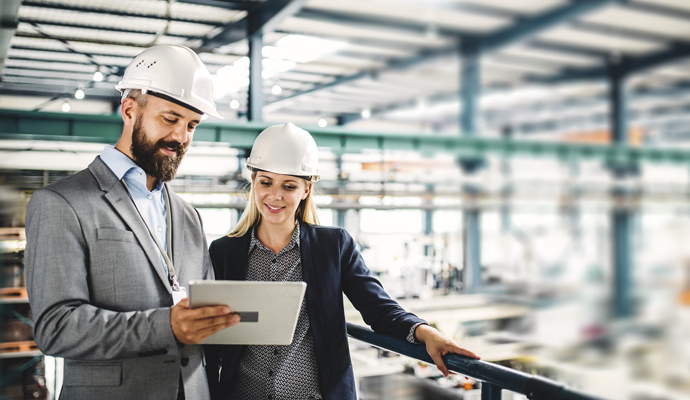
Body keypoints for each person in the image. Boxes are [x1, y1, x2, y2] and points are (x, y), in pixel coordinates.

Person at [25, 45, 240, 400]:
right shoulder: (62, 203)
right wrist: (166, 326)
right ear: (129, 110)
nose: (182, 137)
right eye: (170, 119)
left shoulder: (188, 215)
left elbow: (202, 312)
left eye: (192, 125)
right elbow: (56, 328)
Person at [205, 123, 480, 400]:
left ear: (306, 190)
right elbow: (211, 333)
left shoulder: (333, 246)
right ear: (253, 182)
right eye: (266, 182)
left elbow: (378, 308)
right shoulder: (224, 252)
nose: (274, 195)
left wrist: (425, 332)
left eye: (288, 186)